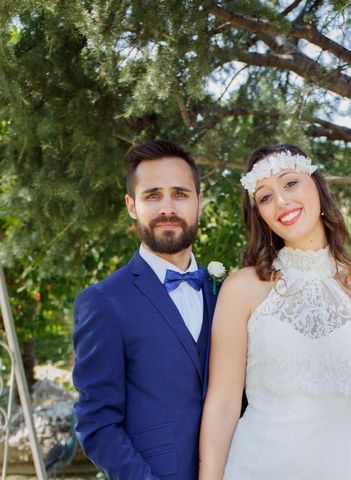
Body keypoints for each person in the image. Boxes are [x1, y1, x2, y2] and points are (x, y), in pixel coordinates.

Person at [199, 145, 351, 479]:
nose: (281, 201)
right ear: (260, 215)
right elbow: (222, 406)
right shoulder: (242, 289)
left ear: (318, 187)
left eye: (290, 183)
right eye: (265, 197)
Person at [73, 139, 218, 479]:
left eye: (180, 194)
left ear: (199, 202)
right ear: (132, 205)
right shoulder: (104, 302)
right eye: (152, 195)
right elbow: (97, 423)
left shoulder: (225, 293)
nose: (167, 208)